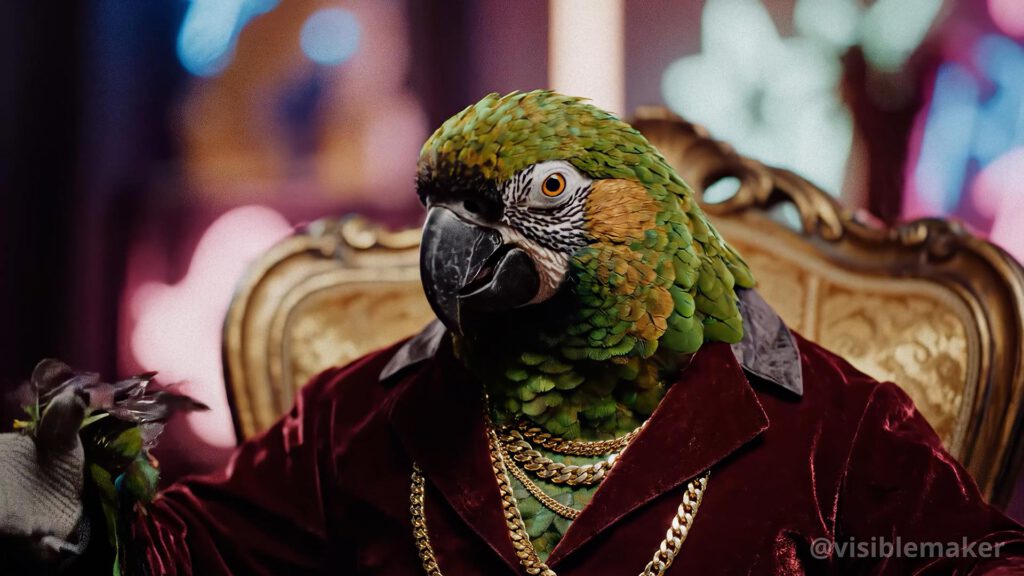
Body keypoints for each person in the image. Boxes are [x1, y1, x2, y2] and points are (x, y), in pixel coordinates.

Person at [3, 91, 1023, 575]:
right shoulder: (363, 417)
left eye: (545, 195)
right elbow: (188, 555)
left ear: (647, 214)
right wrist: (57, 497)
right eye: (451, 210)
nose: (464, 233)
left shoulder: (830, 426)